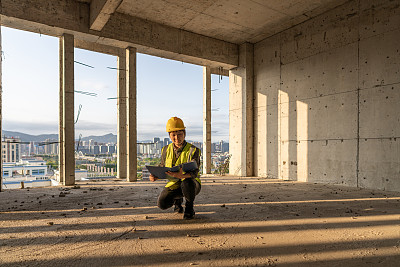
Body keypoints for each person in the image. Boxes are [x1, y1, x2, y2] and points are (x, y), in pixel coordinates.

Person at [149, 117, 201, 219]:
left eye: (179, 134)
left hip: (192, 184)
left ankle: (189, 208)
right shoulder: (165, 149)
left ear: (184, 134)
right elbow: (162, 166)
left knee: (187, 182)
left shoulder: (193, 150)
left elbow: (195, 172)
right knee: (162, 204)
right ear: (169, 135)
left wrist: (182, 175)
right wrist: (155, 175)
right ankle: (178, 201)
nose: (177, 138)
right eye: (173, 135)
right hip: (174, 182)